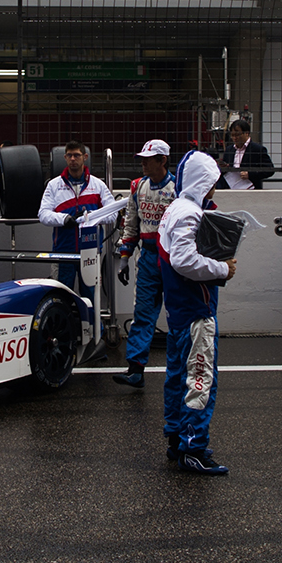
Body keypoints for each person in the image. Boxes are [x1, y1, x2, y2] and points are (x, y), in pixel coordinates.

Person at [157, 150, 234, 475]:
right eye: (213, 180)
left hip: (179, 313)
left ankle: (177, 438)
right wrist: (223, 268)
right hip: (195, 312)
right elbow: (184, 260)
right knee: (200, 380)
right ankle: (193, 448)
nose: (215, 186)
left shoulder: (176, 208)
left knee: (177, 377)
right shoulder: (190, 213)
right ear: (204, 181)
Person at [112, 139, 174, 389]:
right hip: (147, 257)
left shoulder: (178, 187)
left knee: (177, 314)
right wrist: (124, 258)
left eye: (149, 160)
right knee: (142, 313)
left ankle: (181, 367)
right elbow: (131, 224)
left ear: (163, 160)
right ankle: (135, 370)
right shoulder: (137, 186)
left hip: (173, 259)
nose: (143, 164)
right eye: (142, 159)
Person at [38, 141, 111, 299]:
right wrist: (65, 219)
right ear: (65, 157)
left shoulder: (98, 185)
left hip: (90, 252)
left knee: (91, 299)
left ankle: (90, 317)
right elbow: (43, 214)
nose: (73, 159)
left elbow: (113, 214)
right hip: (63, 252)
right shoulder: (54, 185)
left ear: (85, 157)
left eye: (77, 155)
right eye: (69, 155)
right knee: (61, 298)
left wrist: (91, 216)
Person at [219, 117, 275, 191]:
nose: (235, 138)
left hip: (251, 189)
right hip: (232, 188)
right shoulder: (229, 150)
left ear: (246, 133)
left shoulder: (257, 149)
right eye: (232, 135)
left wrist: (250, 174)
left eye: (237, 135)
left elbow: (270, 170)